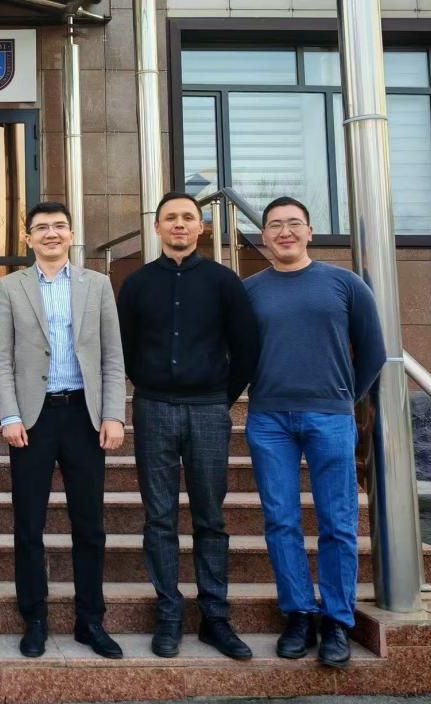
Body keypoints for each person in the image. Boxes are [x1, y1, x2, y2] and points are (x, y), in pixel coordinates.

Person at [117, 191, 259, 660]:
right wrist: (148, 381)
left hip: (208, 410)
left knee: (210, 517)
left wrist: (220, 397)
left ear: (201, 227)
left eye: (187, 218)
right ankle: (169, 615)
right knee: (159, 517)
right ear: (157, 227)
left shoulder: (224, 282)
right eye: (170, 218)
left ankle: (215, 617)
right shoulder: (136, 284)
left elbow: (246, 347)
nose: (179, 224)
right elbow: (124, 347)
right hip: (154, 407)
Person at [245, 196, 385, 669]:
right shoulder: (250, 291)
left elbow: (372, 351)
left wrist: (344, 398)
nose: (284, 232)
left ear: (309, 231)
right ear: (264, 236)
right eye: (275, 225)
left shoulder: (344, 284)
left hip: (330, 417)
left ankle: (337, 620)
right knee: (280, 519)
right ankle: (299, 614)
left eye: (294, 224)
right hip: (269, 420)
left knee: (337, 522)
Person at [0, 201, 126, 659]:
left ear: (71, 234)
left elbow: (112, 356)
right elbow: (2, 358)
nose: (51, 233)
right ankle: (35, 618)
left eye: (59, 226)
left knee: (89, 524)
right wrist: (9, 415)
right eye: (42, 228)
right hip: (34, 419)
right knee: (29, 524)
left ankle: (91, 620)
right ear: (28, 237)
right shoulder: (11, 286)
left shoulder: (98, 285)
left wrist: (113, 414)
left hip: (84, 416)